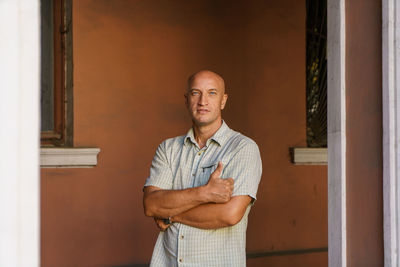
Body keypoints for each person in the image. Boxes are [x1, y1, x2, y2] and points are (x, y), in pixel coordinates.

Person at [143, 70, 262, 266]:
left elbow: (230, 214)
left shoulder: (243, 148)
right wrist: (204, 193)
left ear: (223, 101)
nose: (202, 101)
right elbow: (151, 205)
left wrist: (170, 214)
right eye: (195, 93)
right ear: (186, 99)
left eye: (212, 93)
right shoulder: (168, 149)